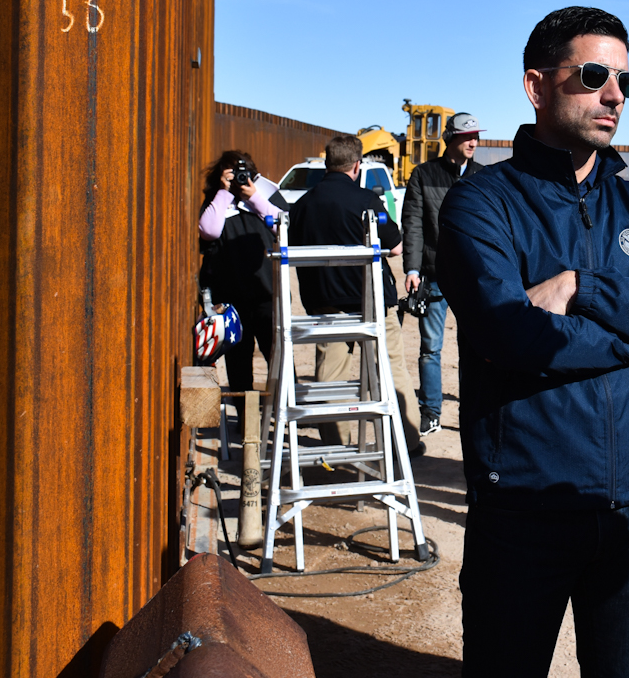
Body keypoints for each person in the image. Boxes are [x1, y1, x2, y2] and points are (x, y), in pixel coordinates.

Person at [438, 6, 629, 677]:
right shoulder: (482, 204)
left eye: (626, 80)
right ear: (537, 86)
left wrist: (582, 289)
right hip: (523, 509)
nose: (614, 95)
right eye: (593, 75)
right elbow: (514, 335)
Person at [289, 135, 423, 455]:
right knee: (390, 369)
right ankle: (406, 440)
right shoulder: (366, 200)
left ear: (327, 164)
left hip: (324, 301)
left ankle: (335, 446)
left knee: (329, 375)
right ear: (357, 165)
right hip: (371, 301)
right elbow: (396, 246)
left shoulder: (304, 204)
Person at [402, 113, 486, 435]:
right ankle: (431, 412)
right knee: (430, 348)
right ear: (450, 138)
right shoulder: (423, 175)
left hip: (473, 278)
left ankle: (473, 412)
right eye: (467, 137)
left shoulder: (483, 176)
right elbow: (413, 223)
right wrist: (412, 267)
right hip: (434, 275)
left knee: (476, 347)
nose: (474, 142)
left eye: (476, 136)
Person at [197, 150, 288, 422]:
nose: (238, 180)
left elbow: (284, 226)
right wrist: (225, 193)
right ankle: (247, 422)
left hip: (268, 294)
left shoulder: (264, 197)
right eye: (231, 176)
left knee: (278, 357)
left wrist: (254, 197)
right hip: (231, 298)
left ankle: (283, 415)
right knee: (238, 364)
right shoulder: (215, 203)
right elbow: (209, 231)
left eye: (241, 174)